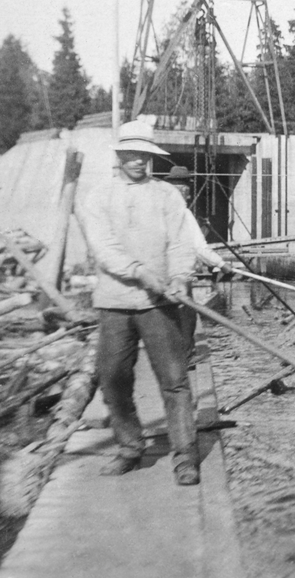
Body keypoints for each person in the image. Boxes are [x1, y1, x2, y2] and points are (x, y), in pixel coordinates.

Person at [77, 121, 201, 485]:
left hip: (159, 305)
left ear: (151, 158)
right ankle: (130, 448)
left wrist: (179, 277)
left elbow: (181, 244)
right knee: (113, 379)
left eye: (144, 156)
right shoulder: (99, 197)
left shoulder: (167, 196)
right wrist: (140, 272)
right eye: (131, 155)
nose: (138, 162)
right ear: (119, 156)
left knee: (175, 381)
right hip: (114, 303)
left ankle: (185, 457)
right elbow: (104, 249)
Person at [164, 165, 233, 363]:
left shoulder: (160, 209)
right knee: (187, 318)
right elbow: (199, 248)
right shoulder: (183, 214)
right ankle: (185, 360)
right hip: (178, 276)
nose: (185, 194)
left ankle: (177, 358)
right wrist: (222, 264)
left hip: (163, 276)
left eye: (186, 190)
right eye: (182, 189)